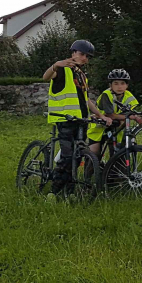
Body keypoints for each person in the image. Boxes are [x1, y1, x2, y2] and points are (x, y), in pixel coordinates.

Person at [43, 40, 110, 194]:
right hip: (64, 120)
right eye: (82, 54)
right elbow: (46, 77)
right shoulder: (62, 69)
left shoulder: (81, 76)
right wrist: (55, 65)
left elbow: (86, 100)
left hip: (80, 121)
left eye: (87, 56)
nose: (84, 58)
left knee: (77, 156)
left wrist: (100, 115)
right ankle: (54, 192)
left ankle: (69, 188)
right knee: (67, 157)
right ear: (73, 52)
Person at [87, 69, 142, 156]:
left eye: (122, 83)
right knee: (94, 154)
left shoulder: (129, 96)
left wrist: (135, 115)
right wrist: (131, 117)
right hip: (99, 127)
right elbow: (111, 115)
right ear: (110, 85)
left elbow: (130, 111)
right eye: (116, 83)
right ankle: (92, 168)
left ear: (127, 85)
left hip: (116, 128)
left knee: (118, 155)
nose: (119, 87)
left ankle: (113, 168)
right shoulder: (107, 94)